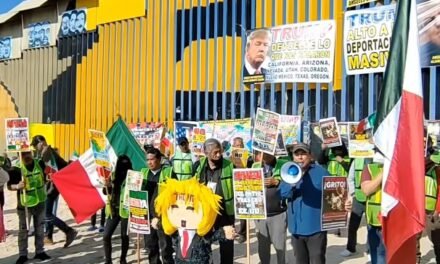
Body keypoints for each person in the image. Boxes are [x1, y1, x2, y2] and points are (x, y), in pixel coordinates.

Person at [155, 178, 236, 264]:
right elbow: (171, 234)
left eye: (190, 209)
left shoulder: (200, 236)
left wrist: (223, 232)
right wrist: (159, 224)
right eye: (175, 208)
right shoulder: (178, 232)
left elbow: (211, 237)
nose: (183, 215)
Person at [279, 143, 329, 264]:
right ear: (293, 157)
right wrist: (292, 182)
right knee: (300, 261)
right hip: (296, 229)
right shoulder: (289, 171)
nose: (300, 158)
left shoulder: (321, 172)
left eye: (303, 154)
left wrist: (345, 203)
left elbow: (335, 193)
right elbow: (281, 194)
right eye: (297, 154)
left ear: (310, 156)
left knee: (317, 260)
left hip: (316, 228)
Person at [31, 135, 78, 247]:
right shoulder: (50, 152)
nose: (36, 148)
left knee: (46, 214)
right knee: (48, 212)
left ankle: (68, 231)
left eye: (35, 145)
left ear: (41, 143)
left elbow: (49, 171)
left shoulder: (47, 154)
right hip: (54, 187)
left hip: (51, 188)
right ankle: (49, 236)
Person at [194, 138, 235, 264]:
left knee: (227, 245)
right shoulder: (198, 166)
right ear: (206, 152)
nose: (218, 155)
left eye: (220, 151)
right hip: (204, 213)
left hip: (225, 213)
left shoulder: (230, 165)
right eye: (214, 152)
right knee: (205, 244)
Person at [7, 151, 51, 264]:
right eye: (23, 154)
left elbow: (44, 177)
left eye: (28, 153)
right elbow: (9, 186)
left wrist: (47, 178)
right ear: (19, 155)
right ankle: (23, 254)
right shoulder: (16, 169)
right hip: (25, 205)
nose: (26, 156)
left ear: (31, 152)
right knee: (23, 231)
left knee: (40, 229)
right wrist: (17, 186)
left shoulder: (39, 163)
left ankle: (40, 251)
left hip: (40, 201)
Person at [252, 151, 287, 264]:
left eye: (267, 152)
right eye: (261, 152)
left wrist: (277, 182)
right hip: (260, 213)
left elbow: (292, 185)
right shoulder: (255, 166)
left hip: (278, 213)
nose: (264, 155)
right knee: (263, 245)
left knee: (279, 244)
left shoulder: (284, 164)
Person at [142, 147, 174, 264]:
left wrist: (159, 216)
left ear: (159, 159)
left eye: (152, 159)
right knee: (151, 247)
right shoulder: (143, 173)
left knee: (166, 248)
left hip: (163, 216)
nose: (149, 162)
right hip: (147, 216)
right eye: (147, 160)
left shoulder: (168, 172)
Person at [103, 155, 132, 264]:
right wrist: (108, 185)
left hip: (126, 210)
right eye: (121, 164)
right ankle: (108, 260)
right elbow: (106, 192)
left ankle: (123, 258)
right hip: (113, 209)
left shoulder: (133, 176)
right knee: (106, 235)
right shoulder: (113, 175)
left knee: (124, 236)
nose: (123, 167)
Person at [340, 157, 371, 258]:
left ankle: (370, 249)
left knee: (371, 226)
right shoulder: (356, 160)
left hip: (372, 198)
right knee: (353, 225)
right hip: (358, 197)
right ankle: (350, 248)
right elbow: (351, 178)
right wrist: (353, 194)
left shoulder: (376, 159)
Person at [360, 152, 386, 264]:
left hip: (395, 222)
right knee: (379, 257)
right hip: (376, 222)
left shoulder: (400, 168)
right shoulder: (369, 168)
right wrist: (383, 172)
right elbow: (367, 190)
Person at [231, 137, 253, 244]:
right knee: (232, 211)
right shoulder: (229, 159)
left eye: (239, 145)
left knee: (243, 211)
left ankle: (243, 233)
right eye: (235, 145)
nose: (237, 147)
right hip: (232, 187)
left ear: (243, 146)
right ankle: (232, 231)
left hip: (244, 186)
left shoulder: (249, 158)